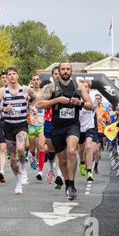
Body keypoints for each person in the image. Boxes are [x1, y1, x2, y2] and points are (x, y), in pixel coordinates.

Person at [36, 62, 93, 201]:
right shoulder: (51, 87)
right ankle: (67, 183)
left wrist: (79, 103)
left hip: (72, 125)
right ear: (59, 71)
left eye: (68, 69)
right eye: (63, 69)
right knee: (62, 159)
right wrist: (56, 100)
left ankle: (72, 184)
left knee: (72, 150)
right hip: (57, 127)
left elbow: (90, 105)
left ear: (71, 71)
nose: (66, 71)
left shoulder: (78, 86)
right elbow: (39, 104)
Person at [0, 67, 37, 195]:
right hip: (8, 126)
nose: (12, 76)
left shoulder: (25, 90)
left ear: (18, 76)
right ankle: (18, 181)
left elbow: (36, 98)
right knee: (13, 159)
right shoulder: (2, 92)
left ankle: (24, 168)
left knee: (21, 148)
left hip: (21, 125)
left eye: (14, 74)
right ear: (7, 77)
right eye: (10, 74)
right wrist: (3, 109)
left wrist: (32, 107)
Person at [42, 67, 63, 189]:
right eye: (55, 74)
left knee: (60, 150)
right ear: (52, 75)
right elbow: (41, 103)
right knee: (51, 150)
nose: (58, 76)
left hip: (62, 122)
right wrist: (54, 99)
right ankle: (51, 169)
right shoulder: (47, 88)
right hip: (49, 121)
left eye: (59, 74)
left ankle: (59, 175)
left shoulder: (69, 88)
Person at [27, 75, 46, 181]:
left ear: (40, 81)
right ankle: (32, 155)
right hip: (31, 123)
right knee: (32, 148)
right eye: (33, 80)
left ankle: (40, 171)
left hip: (42, 123)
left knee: (41, 146)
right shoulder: (28, 93)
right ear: (31, 81)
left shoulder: (44, 93)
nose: (35, 81)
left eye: (37, 80)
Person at [78, 80, 97, 182]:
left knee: (89, 147)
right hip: (79, 127)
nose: (84, 88)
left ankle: (89, 171)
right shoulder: (77, 97)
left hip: (89, 126)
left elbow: (94, 108)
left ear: (89, 88)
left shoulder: (93, 97)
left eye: (86, 86)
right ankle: (81, 163)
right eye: (83, 87)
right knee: (81, 149)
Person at [94, 94, 110, 173]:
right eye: (96, 98)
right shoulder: (91, 108)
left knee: (97, 149)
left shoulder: (104, 109)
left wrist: (104, 121)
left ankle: (96, 166)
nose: (97, 100)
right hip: (92, 130)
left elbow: (108, 119)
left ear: (101, 100)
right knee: (92, 149)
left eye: (98, 99)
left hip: (100, 131)